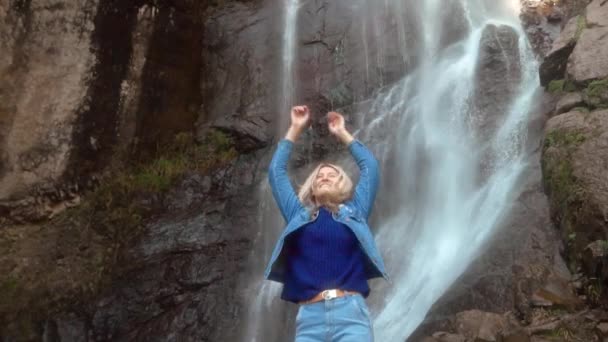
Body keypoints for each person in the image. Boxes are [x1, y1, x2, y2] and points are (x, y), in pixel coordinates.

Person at [264, 105, 389, 341]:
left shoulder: (355, 211)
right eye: (319, 177)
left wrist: (342, 132)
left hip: (351, 315)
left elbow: (370, 168)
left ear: (342, 184)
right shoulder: (297, 215)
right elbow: (276, 172)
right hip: (310, 321)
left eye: (331, 175)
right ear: (311, 187)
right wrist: (295, 128)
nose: (324, 178)